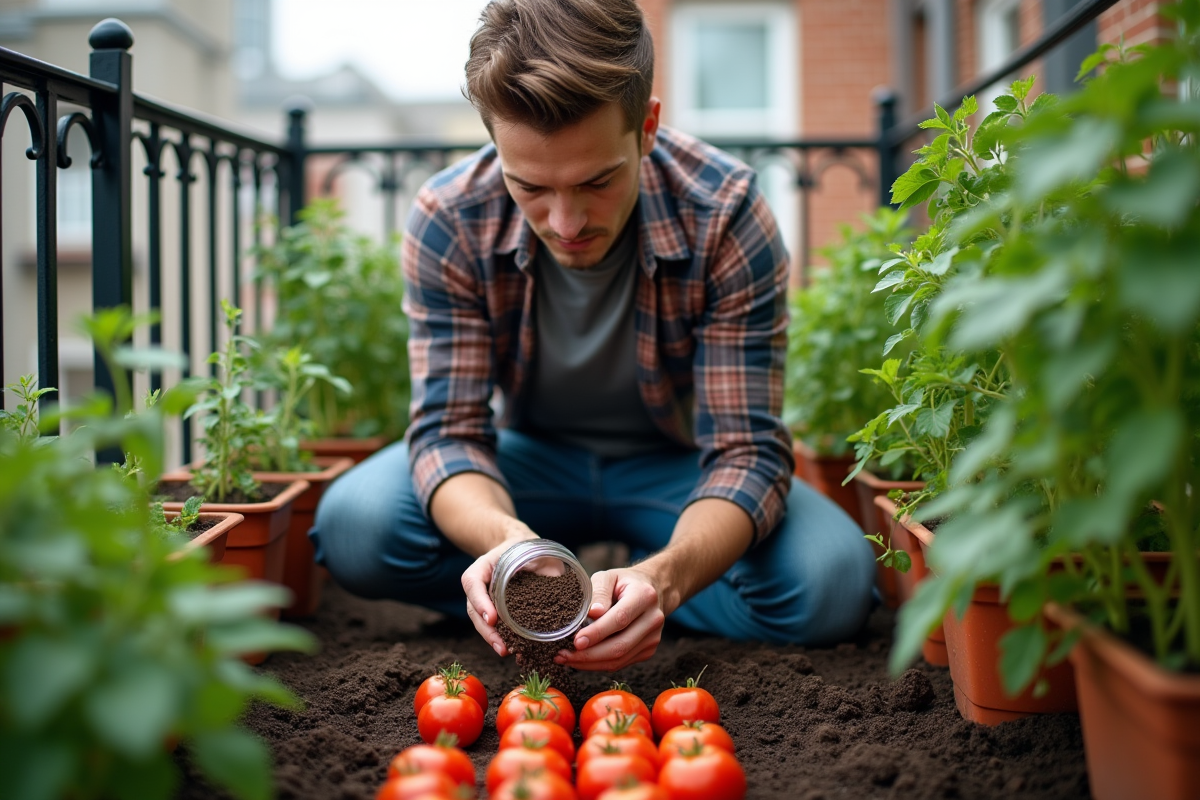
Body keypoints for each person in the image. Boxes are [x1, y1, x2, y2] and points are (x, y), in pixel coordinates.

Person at [310, 0, 875, 673]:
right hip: (528, 464)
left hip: (677, 467)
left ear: (648, 127)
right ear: (495, 147)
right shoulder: (450, 216)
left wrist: (664, 579)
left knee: (833, 585)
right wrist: (511, 547)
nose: (567, 220)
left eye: (597, 181)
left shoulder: (726, 212)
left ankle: (632, 596)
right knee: (357, 527)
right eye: (531, 187)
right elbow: (449, 433)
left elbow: (746, 453)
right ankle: (582, 598)